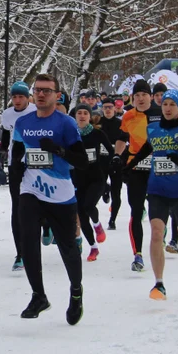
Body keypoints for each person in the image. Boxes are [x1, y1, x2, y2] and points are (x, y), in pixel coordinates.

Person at [10, 74, 90, 324]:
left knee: (67, 247)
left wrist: (57, 150)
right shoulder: (23, 123)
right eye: (38, 90)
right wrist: (15, 177)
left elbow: (82, 162)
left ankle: (76, 291)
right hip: (31, 189)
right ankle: (38, 295)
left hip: (61, 193)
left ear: (57, 95)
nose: (41, 94)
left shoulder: (66, 124)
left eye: (47, 90)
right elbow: (16, 155)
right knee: (28, 239)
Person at [126, 90, 178, 300]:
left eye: (173, 104)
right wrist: (129, 165)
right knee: (156, 233)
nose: (168, 108)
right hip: (157, 190)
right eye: (165, 104)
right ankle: (159, 283)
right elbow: (147, 149)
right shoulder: (153, 129)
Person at [113, 79, 162, 272]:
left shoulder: (160, 113)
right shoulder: (129, 116)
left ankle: (160, 236)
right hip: (135, 167)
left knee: (157, 210)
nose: (140, 99)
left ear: (150, 96)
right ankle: (138, 254)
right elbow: (122, 138)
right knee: (136, 209)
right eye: (137, 96)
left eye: (144, 95)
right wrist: (117, 155)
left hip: (158, 167)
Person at [0, 82, 35, 271]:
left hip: (37, 164)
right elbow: (6, 135)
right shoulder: (7, 114)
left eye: (21, 97)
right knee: (17, 206)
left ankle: (47, 227)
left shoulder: (37, 111)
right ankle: (20, 253)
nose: (17, 100)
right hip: (16, 164)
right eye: (14, 97)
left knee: (38, 204)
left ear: (28, 97)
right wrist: (3, 150)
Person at [71, 104, 110, 262]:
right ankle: (93, 247)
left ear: (89, 116)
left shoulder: (97, 134)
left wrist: (110, 164)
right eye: (79, 113)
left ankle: (97, 224)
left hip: (96, 178)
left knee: (88, 206)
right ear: (75, 117)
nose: (81, 116)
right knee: (81, 214)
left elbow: (111, 151)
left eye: (85, 113)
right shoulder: (71, 135)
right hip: (78, 179)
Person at [99, 99, 123, 230]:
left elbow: (126, 140)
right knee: (99, 185)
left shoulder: (120, 123)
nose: (108, 110)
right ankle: (105, 189)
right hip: (101, 161)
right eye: (105, 107)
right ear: (102, 109)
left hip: (116, 162)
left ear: (115, 109)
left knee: (116, 192)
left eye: (110, 107)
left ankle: (112, 220)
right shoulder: (98, 123)